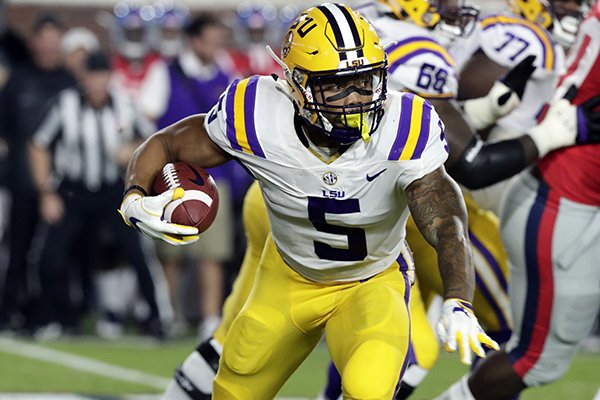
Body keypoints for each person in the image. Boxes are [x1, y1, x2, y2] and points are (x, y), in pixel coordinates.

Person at [159, 1, 597, 398]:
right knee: (414, 349)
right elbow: (470, 166)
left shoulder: (349, 29)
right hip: (346, 215)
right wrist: (552, 134)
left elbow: (440, 140)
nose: (455, 8)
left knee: (243, 342)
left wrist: (480, 114)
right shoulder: (420, 54)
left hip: (279, 202)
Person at [435, 2, 600, 399]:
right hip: (562, 202)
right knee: (535, 359)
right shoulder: (514, 37)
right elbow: (464, 146)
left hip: (557, 188)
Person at [28, 50, 171, 339]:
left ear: (110, 77)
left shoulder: (125, 105)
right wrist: (45, 192)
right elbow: (38, 143)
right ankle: (60, 320)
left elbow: (153, 140)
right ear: (84, 77)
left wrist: (132, 149)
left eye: (103, 75)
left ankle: (157, 320)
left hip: (112, 191)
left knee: (137, 253)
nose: (98, 82)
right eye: (92, 76)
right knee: (51, 256)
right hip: (72, 190)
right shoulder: (66, 105)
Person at [143, 14, 237, 340]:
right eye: (210, 40)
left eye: (218, 40)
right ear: (194, 40)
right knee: (170, 254)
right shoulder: (164, 71)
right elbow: (147, 116)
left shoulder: (225, 72)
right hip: (170, 174)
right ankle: (172, 314)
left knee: (211, 253)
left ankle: (210, 318)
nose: (215, 47)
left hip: (214, 174)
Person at [450, 0, 590, 215]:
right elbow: (476, 91)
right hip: (482, 169)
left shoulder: (496, 24)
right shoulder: (529, 39)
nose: (577, 10)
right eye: (570, 0)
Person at [0, 13, 75, 332]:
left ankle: (54, 314)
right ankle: (10, 311)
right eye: (42, 40)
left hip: (61, 184)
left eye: (53, 41)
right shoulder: (18, 80)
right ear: (33, 43)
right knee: (17, 250)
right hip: (20, 180)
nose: (48, 47)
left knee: (55, 254)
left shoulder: (69, 83)